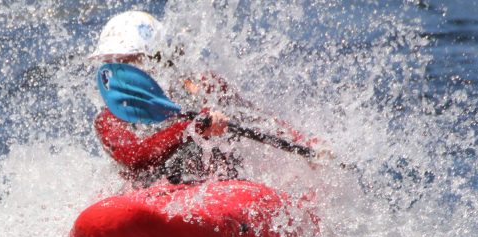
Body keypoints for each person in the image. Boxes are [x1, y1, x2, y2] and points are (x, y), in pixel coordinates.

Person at [89, 11, 320, 187]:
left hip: (215, 189)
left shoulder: (203, 87)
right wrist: (194, 126)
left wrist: (305, 143)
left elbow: (257, 120)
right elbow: (136, 157)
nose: (118, 75)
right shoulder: (108, 120)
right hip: (153, 193)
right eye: (111, 63)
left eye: (128, 61)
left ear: (160, 57)